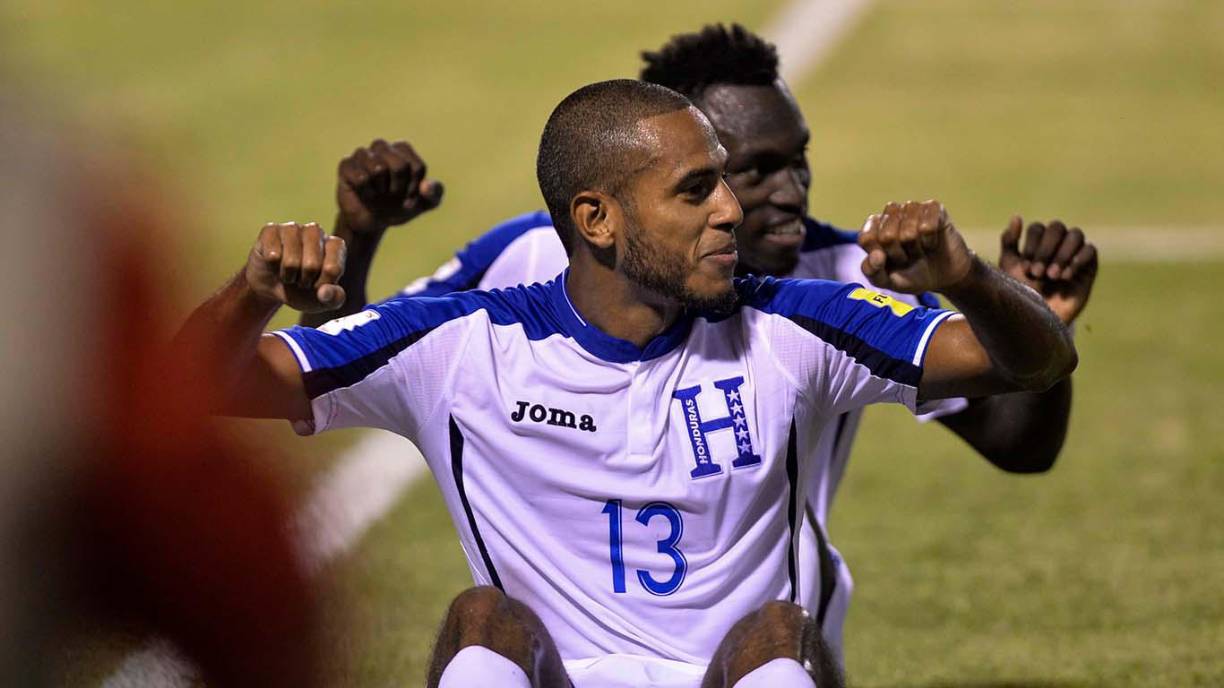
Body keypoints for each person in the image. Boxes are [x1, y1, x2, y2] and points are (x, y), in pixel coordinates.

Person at [179, 79, 1076, 688]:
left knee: (778, 634)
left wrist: (967, 276)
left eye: (723, 181)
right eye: (696, 191)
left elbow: (1031, 363)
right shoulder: (461, 343)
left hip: (736, 675)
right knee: (481, 623)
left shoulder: (794, 324)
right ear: (596, 219)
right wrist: (253, 292)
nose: (731, 209)